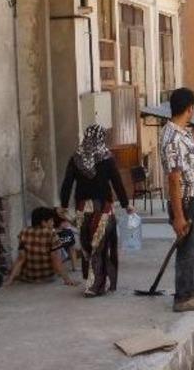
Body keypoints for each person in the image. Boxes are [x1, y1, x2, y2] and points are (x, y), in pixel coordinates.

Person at [60, 124, 132, 297]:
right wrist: (125, 203)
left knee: (88, 245)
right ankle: (95, 284)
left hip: (82, 208)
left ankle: (94, 283)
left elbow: (67, 183)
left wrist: (63, 204)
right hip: (103, 207)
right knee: (98, 245)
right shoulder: (106, 158)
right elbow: (117, 182)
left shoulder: (76, 158)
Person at [160, 87, 194, 312]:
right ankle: (182, 297)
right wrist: (179, 215)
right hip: (187, 200)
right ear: (190, 108)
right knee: (187, 248)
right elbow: (174, 178)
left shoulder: (183, 134)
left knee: (192, 246)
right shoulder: (172, 137)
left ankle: (189, 287)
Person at [5, 207, 76, 286]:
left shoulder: (24, 232)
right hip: (47, 277)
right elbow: (55, 259)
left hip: (29, 277)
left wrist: (10, 280)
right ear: (43, 222)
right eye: (51, 221)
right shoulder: (51, 234)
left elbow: (21, 258)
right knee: (59, 250)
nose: (53, 223)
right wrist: (67, 280)